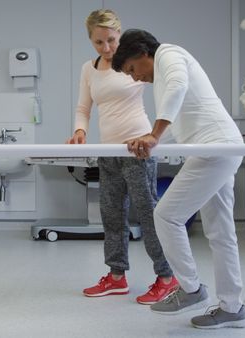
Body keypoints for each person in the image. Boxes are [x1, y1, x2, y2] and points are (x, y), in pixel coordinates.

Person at [112, 29, 245, 329]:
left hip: (214, 150)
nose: (135, 78)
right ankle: (233, 307)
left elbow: (177, 87)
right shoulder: (162, 71)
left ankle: (190, 289)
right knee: (221, 233)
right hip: (222, 147)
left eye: (133, 70)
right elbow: (178, 119)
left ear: (142, 53)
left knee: (165, 216)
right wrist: (150, 138)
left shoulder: (169, 55)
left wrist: (153, 135)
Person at [67, 10, 178, 305]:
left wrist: (156, 134)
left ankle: (167, 277)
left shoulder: (133, 62)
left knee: (147, 214)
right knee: (112, 215)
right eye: (99, 42)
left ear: (120, 35)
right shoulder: (88, 69)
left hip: (137, 149)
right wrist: (80, 131)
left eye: (111, 40)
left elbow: (166, 89)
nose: (106, 48)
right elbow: (83, 107)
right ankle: (116, 276)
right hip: (108, 152)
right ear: (91, 41)